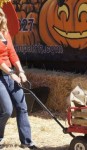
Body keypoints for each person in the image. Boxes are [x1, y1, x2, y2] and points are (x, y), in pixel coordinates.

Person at [0, 8, 37, 149]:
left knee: (22, 106)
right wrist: (11, 73)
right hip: (2, 76)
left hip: (10, 74)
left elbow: (12, 53)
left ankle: (26, 141)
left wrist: (20, 71)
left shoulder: (5, 33)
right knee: (7, 111)